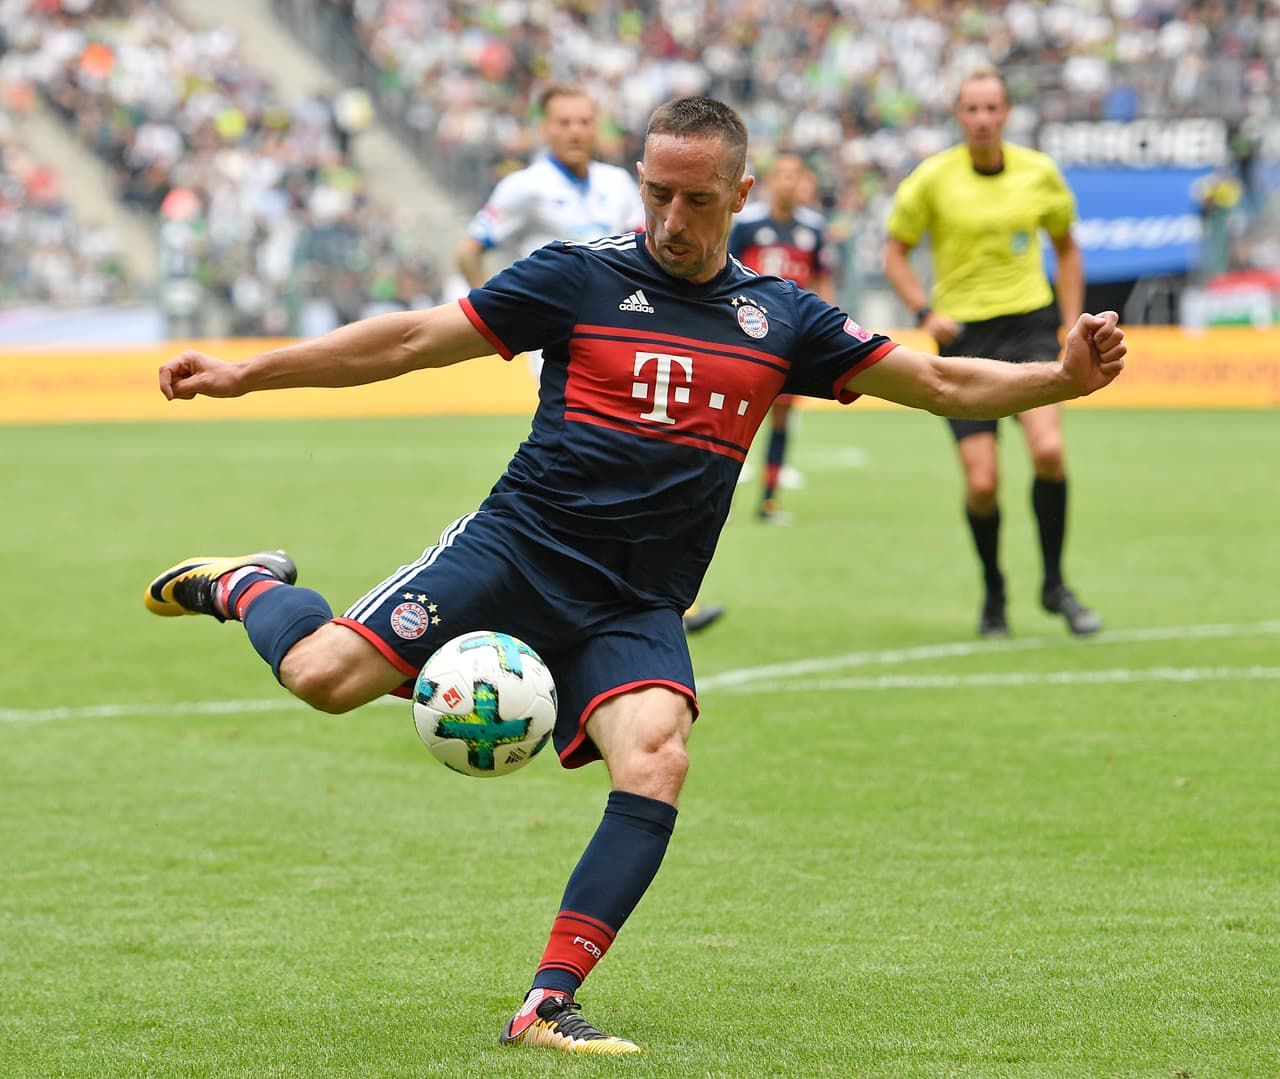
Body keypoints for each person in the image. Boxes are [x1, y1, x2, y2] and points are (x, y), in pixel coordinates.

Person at [144, 95, 1126, 1055]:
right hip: (516, 551)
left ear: (739, 194)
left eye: (694, 199)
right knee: (321, 678)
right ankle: (244, 582)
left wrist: (1060, 378)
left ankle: (547, 999)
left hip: (635, 599)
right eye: (655, 192)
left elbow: (941, 382)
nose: (668, 219)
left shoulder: (780, 318)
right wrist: (246, 371)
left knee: (656, 755)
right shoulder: (575, 278)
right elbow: (408, 340)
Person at [455, 83, 724, 635]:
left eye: (584, 121)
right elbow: (469, 248)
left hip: (629, 337)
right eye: (564, 122)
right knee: (589, 456)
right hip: (560, 341)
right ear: (543, 129)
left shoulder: (618, 183)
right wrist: (500, 318)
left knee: (634, 453)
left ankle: (637, 585)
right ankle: (553, 577)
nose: (576, 131)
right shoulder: (524, 188)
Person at [883, 65, 1100, 640]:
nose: (982, 118)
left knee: (1049, 451)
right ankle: (994, 592)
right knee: (982, 484)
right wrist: (923, 311)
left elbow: (1068, 250)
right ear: (958, 114)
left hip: (1029, 326)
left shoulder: (1038, 173)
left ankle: (1055, 585)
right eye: (971, 108)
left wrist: (1072, 323)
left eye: (991, 108)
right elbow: (894, 252)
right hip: (965, 338)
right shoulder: (931, 179)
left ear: (1006, 113)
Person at [729, 152, 835, 523]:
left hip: (792, 338)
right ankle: (719, 494)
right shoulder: (747, 225)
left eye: (795, 174)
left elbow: (823, 281)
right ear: (771, 180)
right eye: (782, 174)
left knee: (782, 416)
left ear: (803, 180)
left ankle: (769, 500)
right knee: (734, 415)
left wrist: (822, 328)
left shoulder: (814, 229)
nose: (788, 182)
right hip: (748, 335)